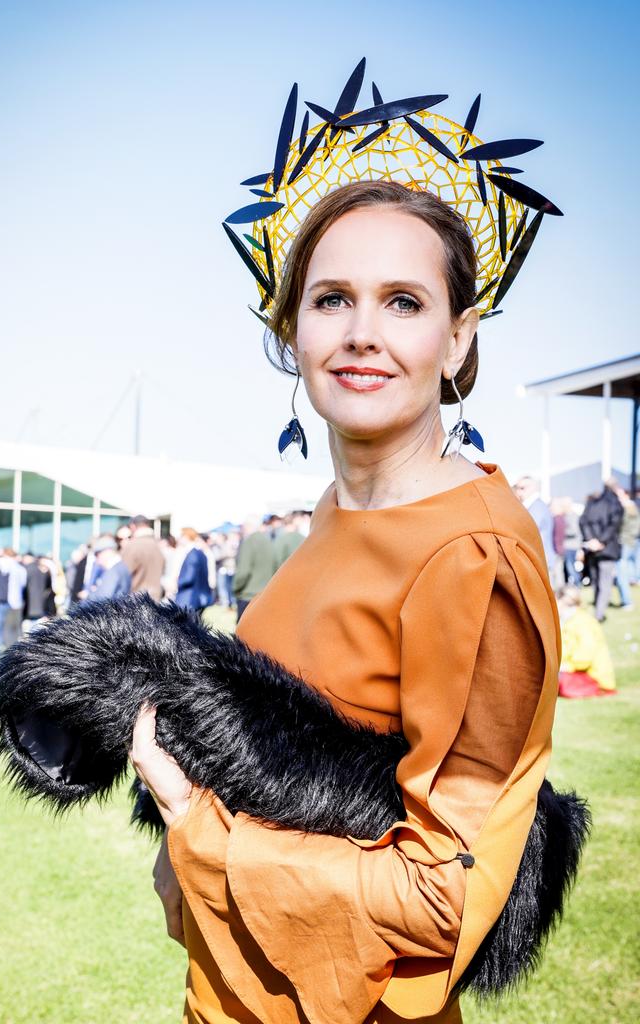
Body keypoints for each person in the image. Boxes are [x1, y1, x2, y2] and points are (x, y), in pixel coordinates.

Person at [131, 174, 561, 1024]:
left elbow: (447, 897)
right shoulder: (334, 510)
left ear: (459, 336)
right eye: (332, 299)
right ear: (290, 329)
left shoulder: (477, 554)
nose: (363, 334)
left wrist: (199, 834)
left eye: (404, 301)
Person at [557, 585, 616, 697]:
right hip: (578, 673)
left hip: (595, 680)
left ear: (562, 602)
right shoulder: (569, 621)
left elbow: (584, 658)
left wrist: (564, 667)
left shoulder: (583, 622)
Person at [580, 480, 624, 622]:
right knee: (604, 582)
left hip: (593, 548)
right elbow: (614, 525)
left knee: (596, 580)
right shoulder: (615, 504)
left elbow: (583, 522)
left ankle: (597, 610)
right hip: (606, 548)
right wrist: (601, 541)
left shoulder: (592, 503)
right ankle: (599, 614)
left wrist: (591, 540)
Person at [232, 516, 275, 621]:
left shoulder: (249, 541)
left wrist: (235, 589)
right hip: (264, 596)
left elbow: (243, 571)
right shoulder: (268, 541)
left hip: (248, 596)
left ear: (248, 526)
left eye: (243, 526)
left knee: (242, 636)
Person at [513, 476, 556, 578]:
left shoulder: (537, 507)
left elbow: (525, 531)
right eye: (517, 488)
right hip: (538, 560)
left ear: (533, 488)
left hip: (541, 562)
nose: (518, 492)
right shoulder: (532, 506)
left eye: (522, 488)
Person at [121, 515, 164, 600]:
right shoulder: (158, 545)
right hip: (155, 596)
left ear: (133, 526)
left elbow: (123, 574)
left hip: (137, 599)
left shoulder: (133, 545)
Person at [174, 528, 213, 615]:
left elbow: (189, 577)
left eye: (181, 536)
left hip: (190, 597)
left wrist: (176, 583)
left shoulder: (192, 554)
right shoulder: (200, 553)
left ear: (186, 537)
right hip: (198, 597)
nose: (179, 539)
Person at [84, 536, 132, 602]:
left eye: (97, 554)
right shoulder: (121, 566)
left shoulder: (114, 571)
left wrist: (89, 596)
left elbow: (102, 598)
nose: (96, 560)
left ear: (107, 551)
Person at [614, 485, 639, 610]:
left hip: (625, 543)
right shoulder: (632, 507)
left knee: (621, 573)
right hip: (631, 542)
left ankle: (627, 600)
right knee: (627, 570)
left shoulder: (626, 508)